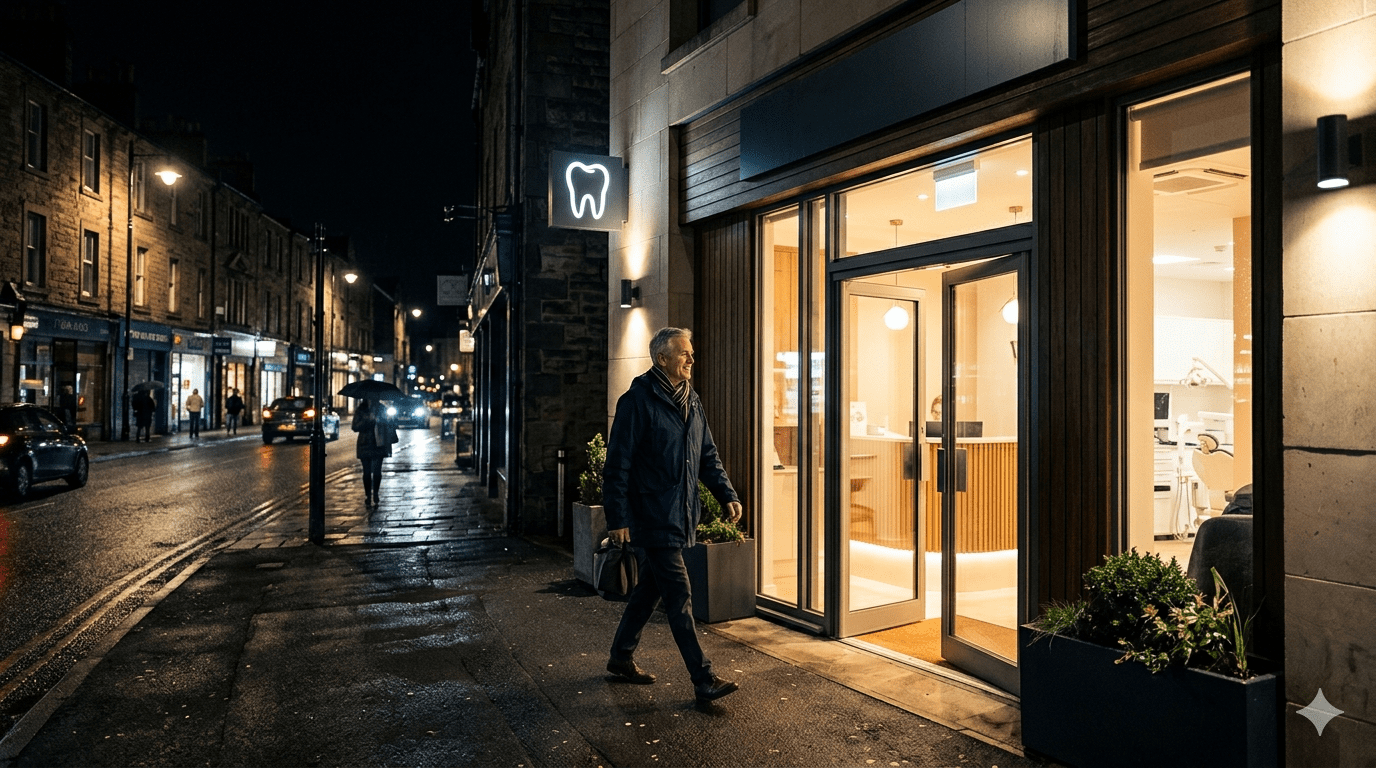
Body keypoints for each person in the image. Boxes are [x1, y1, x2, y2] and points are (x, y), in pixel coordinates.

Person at [603, 327, 744, 707]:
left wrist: (726, 494)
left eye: (691, 353)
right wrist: (617, 518)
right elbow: (617, 465)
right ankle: (704, 678)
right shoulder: (637, 401)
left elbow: (706, 455)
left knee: (649, 590)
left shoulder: (691, 399)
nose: (691, 359)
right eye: (684, 353)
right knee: (679, 594)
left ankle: (620, 657)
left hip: (679, 512)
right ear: (661, 358)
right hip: (651, 515)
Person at [352, 399, 396, 505]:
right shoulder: (361, 409)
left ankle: (376, 493)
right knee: (366, 472)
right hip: (365, 443)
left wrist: (385, 420)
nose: (371, 398)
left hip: (379, 443)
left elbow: (391, 423)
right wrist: (369, 420)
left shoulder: (382, 408)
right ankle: (368, 495)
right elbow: (355, 427)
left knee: (377, 471)